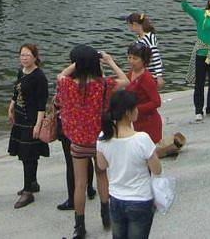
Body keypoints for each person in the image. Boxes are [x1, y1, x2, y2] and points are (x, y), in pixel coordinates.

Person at [56, 45, 128, 238]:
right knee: (102, 175)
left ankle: (79, 226)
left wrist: (75, 64)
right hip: (100, 140)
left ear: (77, 64)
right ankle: (106, 215)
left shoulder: (67, 85)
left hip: (79, 141)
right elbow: (126, 81)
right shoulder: (103, 84)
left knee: (80, 184)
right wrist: (109, 60)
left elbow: (61, 75)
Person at [96, 90, 162, 239]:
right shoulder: (141, 139)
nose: (137, 110)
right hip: (140, 199)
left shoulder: (103, 137)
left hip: (116, 198)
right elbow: (157, 170)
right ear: (128, 113)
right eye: (135, 108)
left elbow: (101, 165)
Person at [8, 43, 49, 209]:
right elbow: (16, 91)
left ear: (35, 57)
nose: (24, 58)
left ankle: (27, 191)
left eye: (27, 55)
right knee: (28, 153)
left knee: (28, 155)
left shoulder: (39, 77)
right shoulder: (21, 71)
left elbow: (41, 104)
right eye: (22, 55)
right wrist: (11, 106)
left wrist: (38, 125)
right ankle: (33, 183)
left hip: (31, 119)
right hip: (20, 118)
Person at [56, 47, 97, 213]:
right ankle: (91, 188)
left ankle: (72, 200)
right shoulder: (98, 83)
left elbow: (60, 79)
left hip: (69, 129)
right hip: (89, 130)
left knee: (71, 164)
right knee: (89, 158)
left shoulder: (69, 83)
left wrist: (74, 65)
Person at [125, 44, 162, 143]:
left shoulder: (146, 78)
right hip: (136, 120)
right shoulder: (131, 73)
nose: (131, 61)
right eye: (129, 57)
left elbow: (157, 102)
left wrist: (136, 109)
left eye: (135, 58)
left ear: (144, 60)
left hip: (149, 122)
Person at [125, 13, 164, 88]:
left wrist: (159, 76)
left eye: (129, 26)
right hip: (142, 71)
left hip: (151, 73)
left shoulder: (149, 38)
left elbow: (156, 57)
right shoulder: (140, 38)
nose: (129, 28)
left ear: (135, 24)